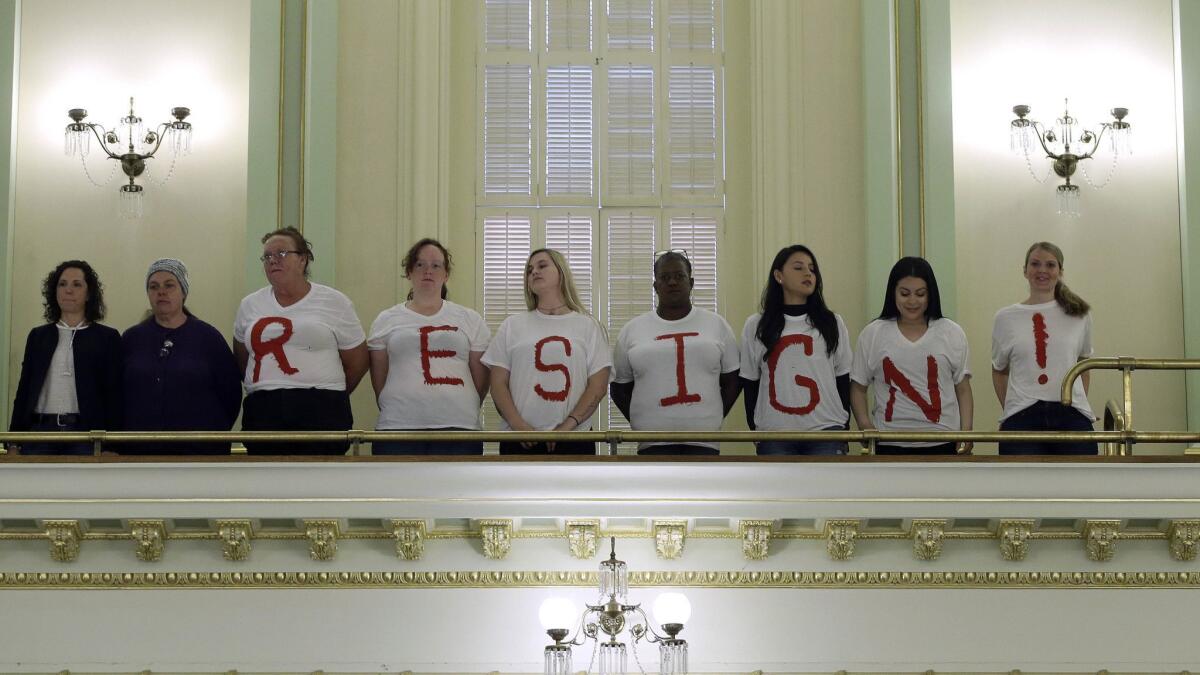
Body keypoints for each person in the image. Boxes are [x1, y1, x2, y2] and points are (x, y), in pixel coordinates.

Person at [233, 227, 368, 455]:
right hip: (265, 409)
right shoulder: (250, 305)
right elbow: (242, 357)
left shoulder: (334, 302)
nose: (273, 261)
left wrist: (327, 393)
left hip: (321, 408)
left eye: (282, 254)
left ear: (303, 260)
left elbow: (358, 361)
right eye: (267, 256)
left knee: (318, 482)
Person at [482, 248, 610, 454]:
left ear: (561, 272)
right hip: (519, 438)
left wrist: (568, 427)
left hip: (575, 438)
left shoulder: (588, 326)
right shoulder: (512, 325)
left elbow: (598, 385)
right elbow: (497, 383)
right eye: (529, 270)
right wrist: (519, 426)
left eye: (542, 266)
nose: (534, 272)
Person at [368, 239, 490, 454]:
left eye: (436, 265)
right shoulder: (386, 319)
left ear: (446, 274)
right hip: (398, 425)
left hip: (458, 424)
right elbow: (379, 377)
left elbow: (480, 378)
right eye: (420, 265)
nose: (428, 271)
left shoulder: (469, 319)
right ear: (409, 272)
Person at [612, 250, 739, 455]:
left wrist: (712, 417)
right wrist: (642, 421)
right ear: (655, 286)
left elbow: (733, 380)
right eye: (664, 277)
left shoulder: (717, 325)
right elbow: (619, 388)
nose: (672, 282)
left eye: (679, 276)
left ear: (691, 282)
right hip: (651, 443)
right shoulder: (632, 329)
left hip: (704, 441)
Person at [850, 257, 973, 455]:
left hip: (942, 440)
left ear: (930, 294)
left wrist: (967, 432)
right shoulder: (873, 333)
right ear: (893, 293)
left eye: (920, 294)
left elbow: (963, 389)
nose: (913, 301)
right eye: (905, 294)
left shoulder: (951, 332)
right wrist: (865, 426)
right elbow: (858, 388)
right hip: (889, 441)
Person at [120, 259, 242, 455]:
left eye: (169, 285)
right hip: (141, 451)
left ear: (183, 292)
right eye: (154, 287)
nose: (161, 292)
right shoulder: (132, 339)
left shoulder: (208, 338)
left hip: (198, 451)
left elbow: (231, 393)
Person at [740, 245, 853, 455]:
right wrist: (755, 428)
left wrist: (845, 427)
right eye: (799, 267)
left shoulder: (832, 322)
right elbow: (750, 381)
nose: (808, 273)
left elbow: (843, 377)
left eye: (812, 268)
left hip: (826, 430)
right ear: (778, 275)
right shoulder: (756, 325)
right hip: (774, 433)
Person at [992, 242, 1096, 455]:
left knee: (1080, 484)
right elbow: (999, 371)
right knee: (1023, 486)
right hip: (1022, 415)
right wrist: (1011, 409)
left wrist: (1077, 402)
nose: (1042, 270)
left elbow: (1084, 366)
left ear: (1060, 271)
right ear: (1025, 270)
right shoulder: (1005, 317)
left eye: (1050, 265)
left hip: (1070, 413)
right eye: (1035, 264)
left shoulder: (1080, 314)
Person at [9, 260, 122, 455]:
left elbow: (114, 395)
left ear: (89, 293)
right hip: (39, 435)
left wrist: (112, 444)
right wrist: (13, 441)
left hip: (86, 437)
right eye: (62, 284)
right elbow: (24, 391)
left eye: (77, 284)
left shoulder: (107, 338)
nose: (68, 290)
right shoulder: (38, 336)